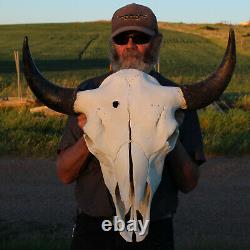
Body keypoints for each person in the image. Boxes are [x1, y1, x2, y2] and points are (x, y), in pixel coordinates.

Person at [56, 3, 205, 250]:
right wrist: (90, 134)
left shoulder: (177, 100)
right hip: (95, 229)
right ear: (113, 43)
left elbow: (189, 182)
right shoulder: (87, 95)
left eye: (141, 37)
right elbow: (64, 174)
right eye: (122, 37)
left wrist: (171, 134)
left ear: (157, 43)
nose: (130, 45)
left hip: (154, 229)